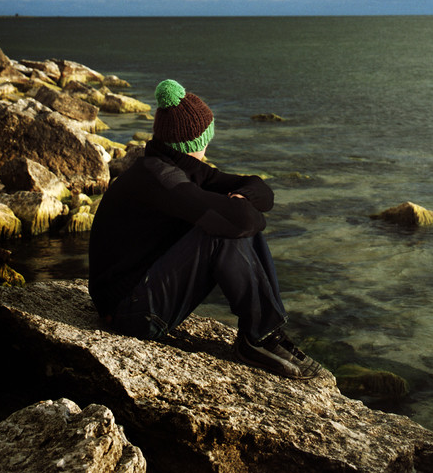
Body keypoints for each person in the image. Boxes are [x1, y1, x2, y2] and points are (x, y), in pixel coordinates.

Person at [88, 78, 326, 380]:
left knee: (229, 221)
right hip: (127, 314)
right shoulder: (161, 180)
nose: (208, 144)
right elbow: (245, 220)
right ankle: (259, 338)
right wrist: (240, 208)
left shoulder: (175, 166)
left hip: (137, 297)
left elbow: (260, 189)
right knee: (223, 231)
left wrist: (242, 200)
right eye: (206, 138)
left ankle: (264, 333)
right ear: (194, 143)